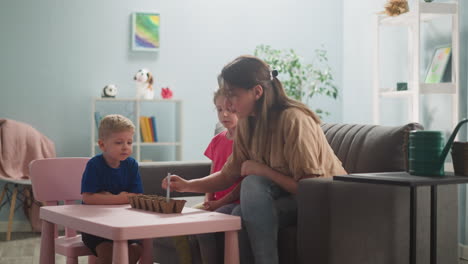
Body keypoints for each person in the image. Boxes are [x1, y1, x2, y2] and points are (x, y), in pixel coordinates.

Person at [163, 55, 347, 264]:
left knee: (252, 183)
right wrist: (187, 185)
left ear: (257, 92)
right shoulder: (246, 123)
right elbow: (228, 175)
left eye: (233, 95)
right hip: (283, 195)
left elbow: (309, 187)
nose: (228, 104)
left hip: (321, 199)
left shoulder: (293, 119)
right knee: (240, 211)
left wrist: (263, 170)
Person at [81, 114, 143, 264]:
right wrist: (120, 198)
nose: (125, 147)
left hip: (125, 224)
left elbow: (136, 196)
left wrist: (104, 197)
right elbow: (88, 198)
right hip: (96, 228)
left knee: (136, 250)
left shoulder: (132, 165)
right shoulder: (94, 165)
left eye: (129, 142)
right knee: (108, 252)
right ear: (102, 145)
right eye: (119, 142)